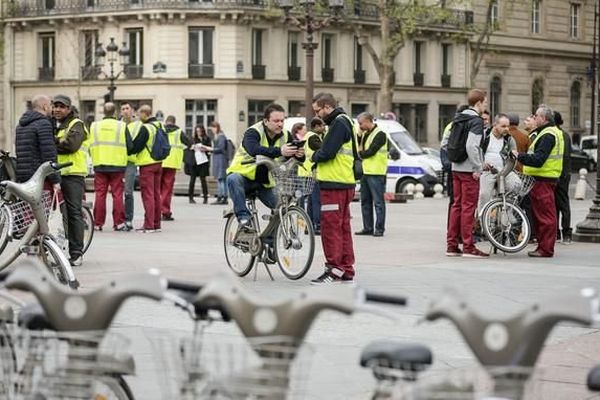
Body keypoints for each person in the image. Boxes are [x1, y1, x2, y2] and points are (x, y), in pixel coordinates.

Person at [226, 103, 302, 263]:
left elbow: (290, 155)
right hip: (244, 177)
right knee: (232, 179)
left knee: (281, 208)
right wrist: (280, 152)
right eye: (276, 121)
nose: (280, 124)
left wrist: (299, 154)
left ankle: (268, 244)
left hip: (265, 183)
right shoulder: (253, 132)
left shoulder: (286, 135)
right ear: (265, 121)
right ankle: (243, 219)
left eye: (282, 120)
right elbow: (253, 150)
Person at [309, 92, 358, 284]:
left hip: (334, 184)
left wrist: (313, 156)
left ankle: (333, 269)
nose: (317, 115)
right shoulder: (346, 121)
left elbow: (327, 153)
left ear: (327, 107)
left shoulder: (338, 123)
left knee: (331, 228)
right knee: (343, 227)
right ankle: (346, 269)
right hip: (344, 182)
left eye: (318, 111)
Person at [513, 104, 564, 257]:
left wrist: (519, 156)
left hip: (543, 178)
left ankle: (545, 249)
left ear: (543, 118)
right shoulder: (550, 132)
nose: (534, 118)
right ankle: (543, 247)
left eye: (536, 116)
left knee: (545, 215)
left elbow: (539, 159)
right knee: (543, 214)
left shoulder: (548, 134)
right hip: (545, 178)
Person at [446, 89, 488, 258]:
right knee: (468, 207)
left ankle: (452, 245)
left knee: (456, 206)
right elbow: (472, 146)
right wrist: (478, 167)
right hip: (469, 170)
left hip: (456, 167)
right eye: (485, 102)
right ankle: (469, 246)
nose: (485, 106)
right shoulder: (475, 121)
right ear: (478, 103)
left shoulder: (459, 118)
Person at [53, 95, 88, 267]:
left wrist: (53, 141)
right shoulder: (52, 124)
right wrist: (59, 141)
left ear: (69, 108)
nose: (57, 109)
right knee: (54, 213)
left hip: (73, 173)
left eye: (62, 106)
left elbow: (71, 146)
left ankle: (76, 253)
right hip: (55, 172)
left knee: (74, 212)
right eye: (55, 106)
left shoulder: (77, 124)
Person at [88, 102, 128, 231]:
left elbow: (89, 145)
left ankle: (98, 223)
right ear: (115, 112)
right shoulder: (122, 126)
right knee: (117, 195)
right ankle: (119, 223)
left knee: (100, 194)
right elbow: (130, 145)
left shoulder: (94, 126)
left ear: (103, 112)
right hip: (117, 165)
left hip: (100, 164)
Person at [128, 104, 163, 233]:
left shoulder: (146, 128)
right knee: (156, 194)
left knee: (147, 195)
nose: (138, 117)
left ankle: (148, 225)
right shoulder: (159, 125)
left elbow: (136, 145)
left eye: (139, 114)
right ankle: (156, 223)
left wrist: (128, 148)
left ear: (144, 113)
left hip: (147, 164)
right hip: (158, 163)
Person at [478, 113, 520, 213]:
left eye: (508, 126)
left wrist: (514, 155)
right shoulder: (484, 135)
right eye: (503, 126)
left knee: (516, 185)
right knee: (484, 195)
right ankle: (480, 219)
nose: (506, 129)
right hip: (487, 171)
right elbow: (476, 151)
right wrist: (482, 164)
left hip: (504, 171)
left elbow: (514, 158)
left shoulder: (509, 139)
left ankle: (505, 213)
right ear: (495, 125)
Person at [15, 95, 59, 189]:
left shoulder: (21, 125)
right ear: (45, 107)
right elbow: (48, 154)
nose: (52, 109)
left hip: (23, 177)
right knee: (44, 203)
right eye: (51, 106)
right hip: (40, 177)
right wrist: (55, 180)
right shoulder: (43, 124)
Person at [355, 112, 387, 237]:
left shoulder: (380, 134)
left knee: (378, 202)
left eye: (361, 123)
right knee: (365, 201)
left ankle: (379, 228)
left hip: (376, 172)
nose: (360, 126)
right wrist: (358, 133)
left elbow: (370, 151)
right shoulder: (364, 134)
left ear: (368, 121)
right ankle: (367, 228)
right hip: (365, 171)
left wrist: (358, 155)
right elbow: (358, 145)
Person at [160, 115, 188, 220]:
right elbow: (189, 143)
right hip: (172, 163)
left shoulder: (161, 130)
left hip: (160, 161)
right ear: (174, 122)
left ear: (166, 122)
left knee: (158, 189)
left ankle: (157, 210)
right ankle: (165, 211)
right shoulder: (179, 132)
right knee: (167, 189)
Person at [302, 117, 326, 234]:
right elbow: (324, 149)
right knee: (317, 200)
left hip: (307, 171)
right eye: (322, 126)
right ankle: (317, 225)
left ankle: (309, 225)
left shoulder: (308, 136)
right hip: (313, 171)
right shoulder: (313, 137)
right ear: (316, 127)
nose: (324, 128)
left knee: (311, 201)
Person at [553, 111, 572, 244]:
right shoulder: (565, 135)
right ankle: (564, 234)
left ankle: (561, 233)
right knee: (561, 204)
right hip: (564, 173)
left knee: (558, 204)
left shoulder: (558, 135)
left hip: (559, 173)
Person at [120, 101, 139, 231]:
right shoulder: (118, 125)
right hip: (117, 161)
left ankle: (128, 219)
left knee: (128, 192)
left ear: (132, 110)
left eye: (127, 108)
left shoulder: (138, 125)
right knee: (116, 193)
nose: (125, 111)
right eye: (123, 109)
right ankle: (118, 220)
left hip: (130, 162)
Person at [184, 125, 212, 204]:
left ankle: (205, 197)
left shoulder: (207, 139)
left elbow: (210, 148)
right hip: (194, 162)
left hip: (203, 162)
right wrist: (192, 147)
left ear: (203, 131)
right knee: (192, 180)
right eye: (197, 131)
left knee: (203, 180)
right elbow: (188, 148)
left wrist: (204, 149)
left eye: (200, 131)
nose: (198, 133)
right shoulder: (192, 139)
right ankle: (191, 197)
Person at [209, 121, 229, 205]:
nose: (212, 130)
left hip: (220, 160)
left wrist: (211, 149)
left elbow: (220, 148)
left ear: (216, 127)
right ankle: (223, 197)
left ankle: (221, 197)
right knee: (222, 179)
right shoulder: (220, 136)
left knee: (221, 179)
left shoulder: (221, 136)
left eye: (213, 128)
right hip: (220, 159)